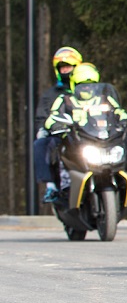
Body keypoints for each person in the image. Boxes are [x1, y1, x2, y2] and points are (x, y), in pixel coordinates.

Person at [34, 47, 83, 202]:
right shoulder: (51, 94)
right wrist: (43, 129)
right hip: (62, 135)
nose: (65, 70)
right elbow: (42, 116)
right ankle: (51, 187)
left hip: (87, 135)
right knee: (41, 144)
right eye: (62, 67)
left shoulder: (87, 89)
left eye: (68, 67)